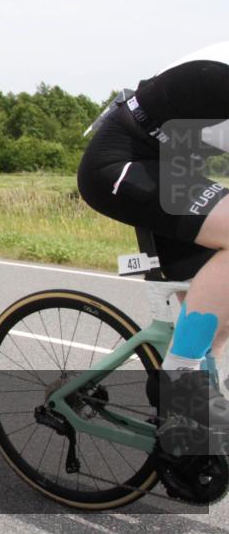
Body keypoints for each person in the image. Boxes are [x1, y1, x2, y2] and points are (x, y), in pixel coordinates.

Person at [77, 42, 229, 427]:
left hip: (168, 167)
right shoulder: (218, 72)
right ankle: (179, 382)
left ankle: (194, 452)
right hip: (121, 163)